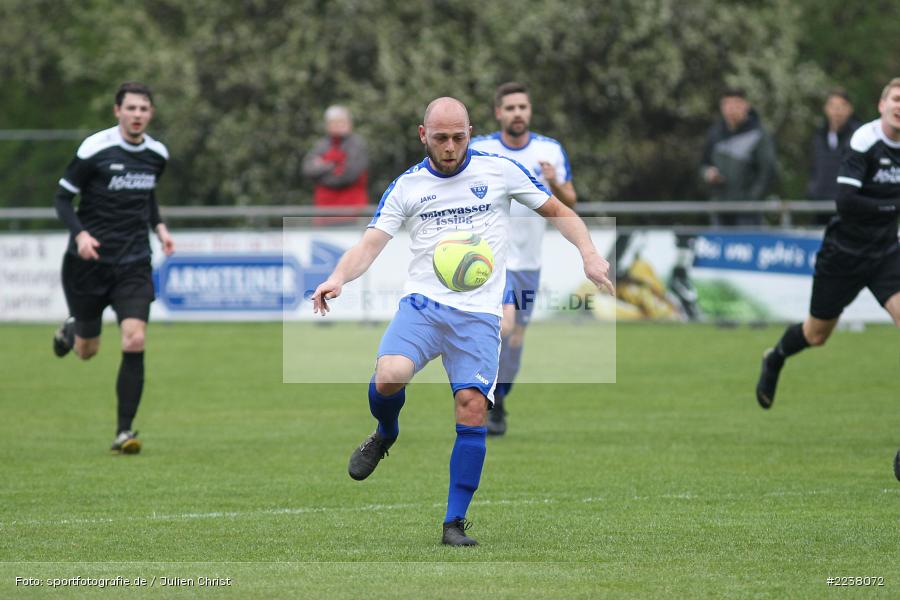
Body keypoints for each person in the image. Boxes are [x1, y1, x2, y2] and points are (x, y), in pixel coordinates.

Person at [311, 97, 613, 546]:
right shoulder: (408, 186)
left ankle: (454, 522)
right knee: (389, 375)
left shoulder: (498, 171)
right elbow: (369, 245)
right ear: (422, 135)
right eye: (440, 138)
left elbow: (560, 212)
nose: (450, 147)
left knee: (471, 406)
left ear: (471, 131)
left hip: (478, 315)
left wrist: (588, 254)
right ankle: (386, 432)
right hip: (424, 306)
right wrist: (337, 277)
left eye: (458, 137)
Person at [755, 78, 900, 431]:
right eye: (896, 99)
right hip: (843, 253)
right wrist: (893, 206)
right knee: (816, 335)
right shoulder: (864, 141)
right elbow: (846, 203)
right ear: (881, 105)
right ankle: (775, 358)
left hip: (886, 254)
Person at [51, 81, 175, 454]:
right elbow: (61, 198)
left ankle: (124, 432)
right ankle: (74, 329)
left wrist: (160, 226)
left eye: (144, 109)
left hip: (134, 262)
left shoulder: (157, 154)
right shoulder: (94, 149)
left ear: (150, 113)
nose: (137, 115)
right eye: (131, 108)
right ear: (117, 111)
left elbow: (147, 193)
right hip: (88, 264)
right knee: (87, 351)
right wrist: (81, 236)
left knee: (134, 339)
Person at [469, 82, 577, 435]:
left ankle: (498, 402)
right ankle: (477, 396)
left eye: (523, 107)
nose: (518, 113)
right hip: (489, 258)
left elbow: (570, 202)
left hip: (529, 261)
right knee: (504, 325)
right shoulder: (480, 148)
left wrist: (552, 182)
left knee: (515, 340)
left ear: (529, 111)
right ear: (498, 112)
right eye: (510, 107)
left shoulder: (550, 150)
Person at [700, 88, 777, 226]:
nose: (731, 109)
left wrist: (751, 199)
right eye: (727, 104)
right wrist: (708, 174)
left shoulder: (759, 134)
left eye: (736, 104)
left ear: (746, 105)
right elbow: (703, 164)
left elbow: (767, 171)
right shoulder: (715, 134)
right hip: (720, 208)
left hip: (747, 212)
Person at [301, 105, 369, 225]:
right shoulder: (321, 145)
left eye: (342, 122)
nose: (338, 125)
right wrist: (333, 167)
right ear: (327, 125)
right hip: (324, 214)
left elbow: (349, 175)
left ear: (349, 124)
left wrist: (322, 169)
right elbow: (308, 169)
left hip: (352, 213)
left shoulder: (357, 145)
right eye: (334, 122)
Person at [807, 88, 862, 204]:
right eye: (833, 105)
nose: (837, 110)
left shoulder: (859, 136)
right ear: (826, 108)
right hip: (819, 201)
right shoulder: (819, 135)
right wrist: (813, 189)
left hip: (847, 203)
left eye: (842, 105)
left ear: (850, 109)